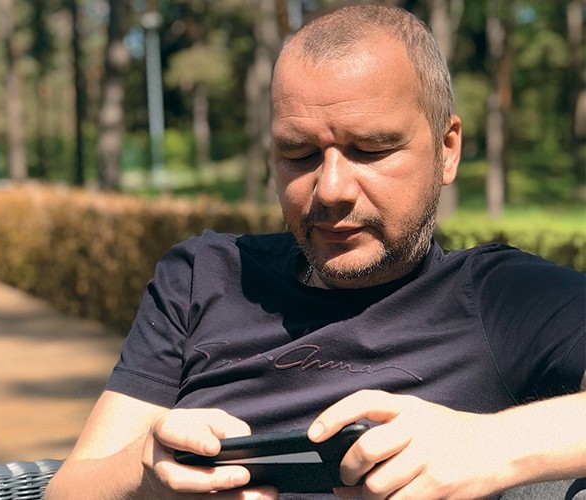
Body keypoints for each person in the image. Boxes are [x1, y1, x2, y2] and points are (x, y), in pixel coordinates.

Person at [46, 5, 585, 500]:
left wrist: (486, 445)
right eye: (299, 153)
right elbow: (67, 489)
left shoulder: (503, 299)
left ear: (447, 150)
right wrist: (145, 474)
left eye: (370, 149)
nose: (330, 189)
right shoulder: (201, 277)